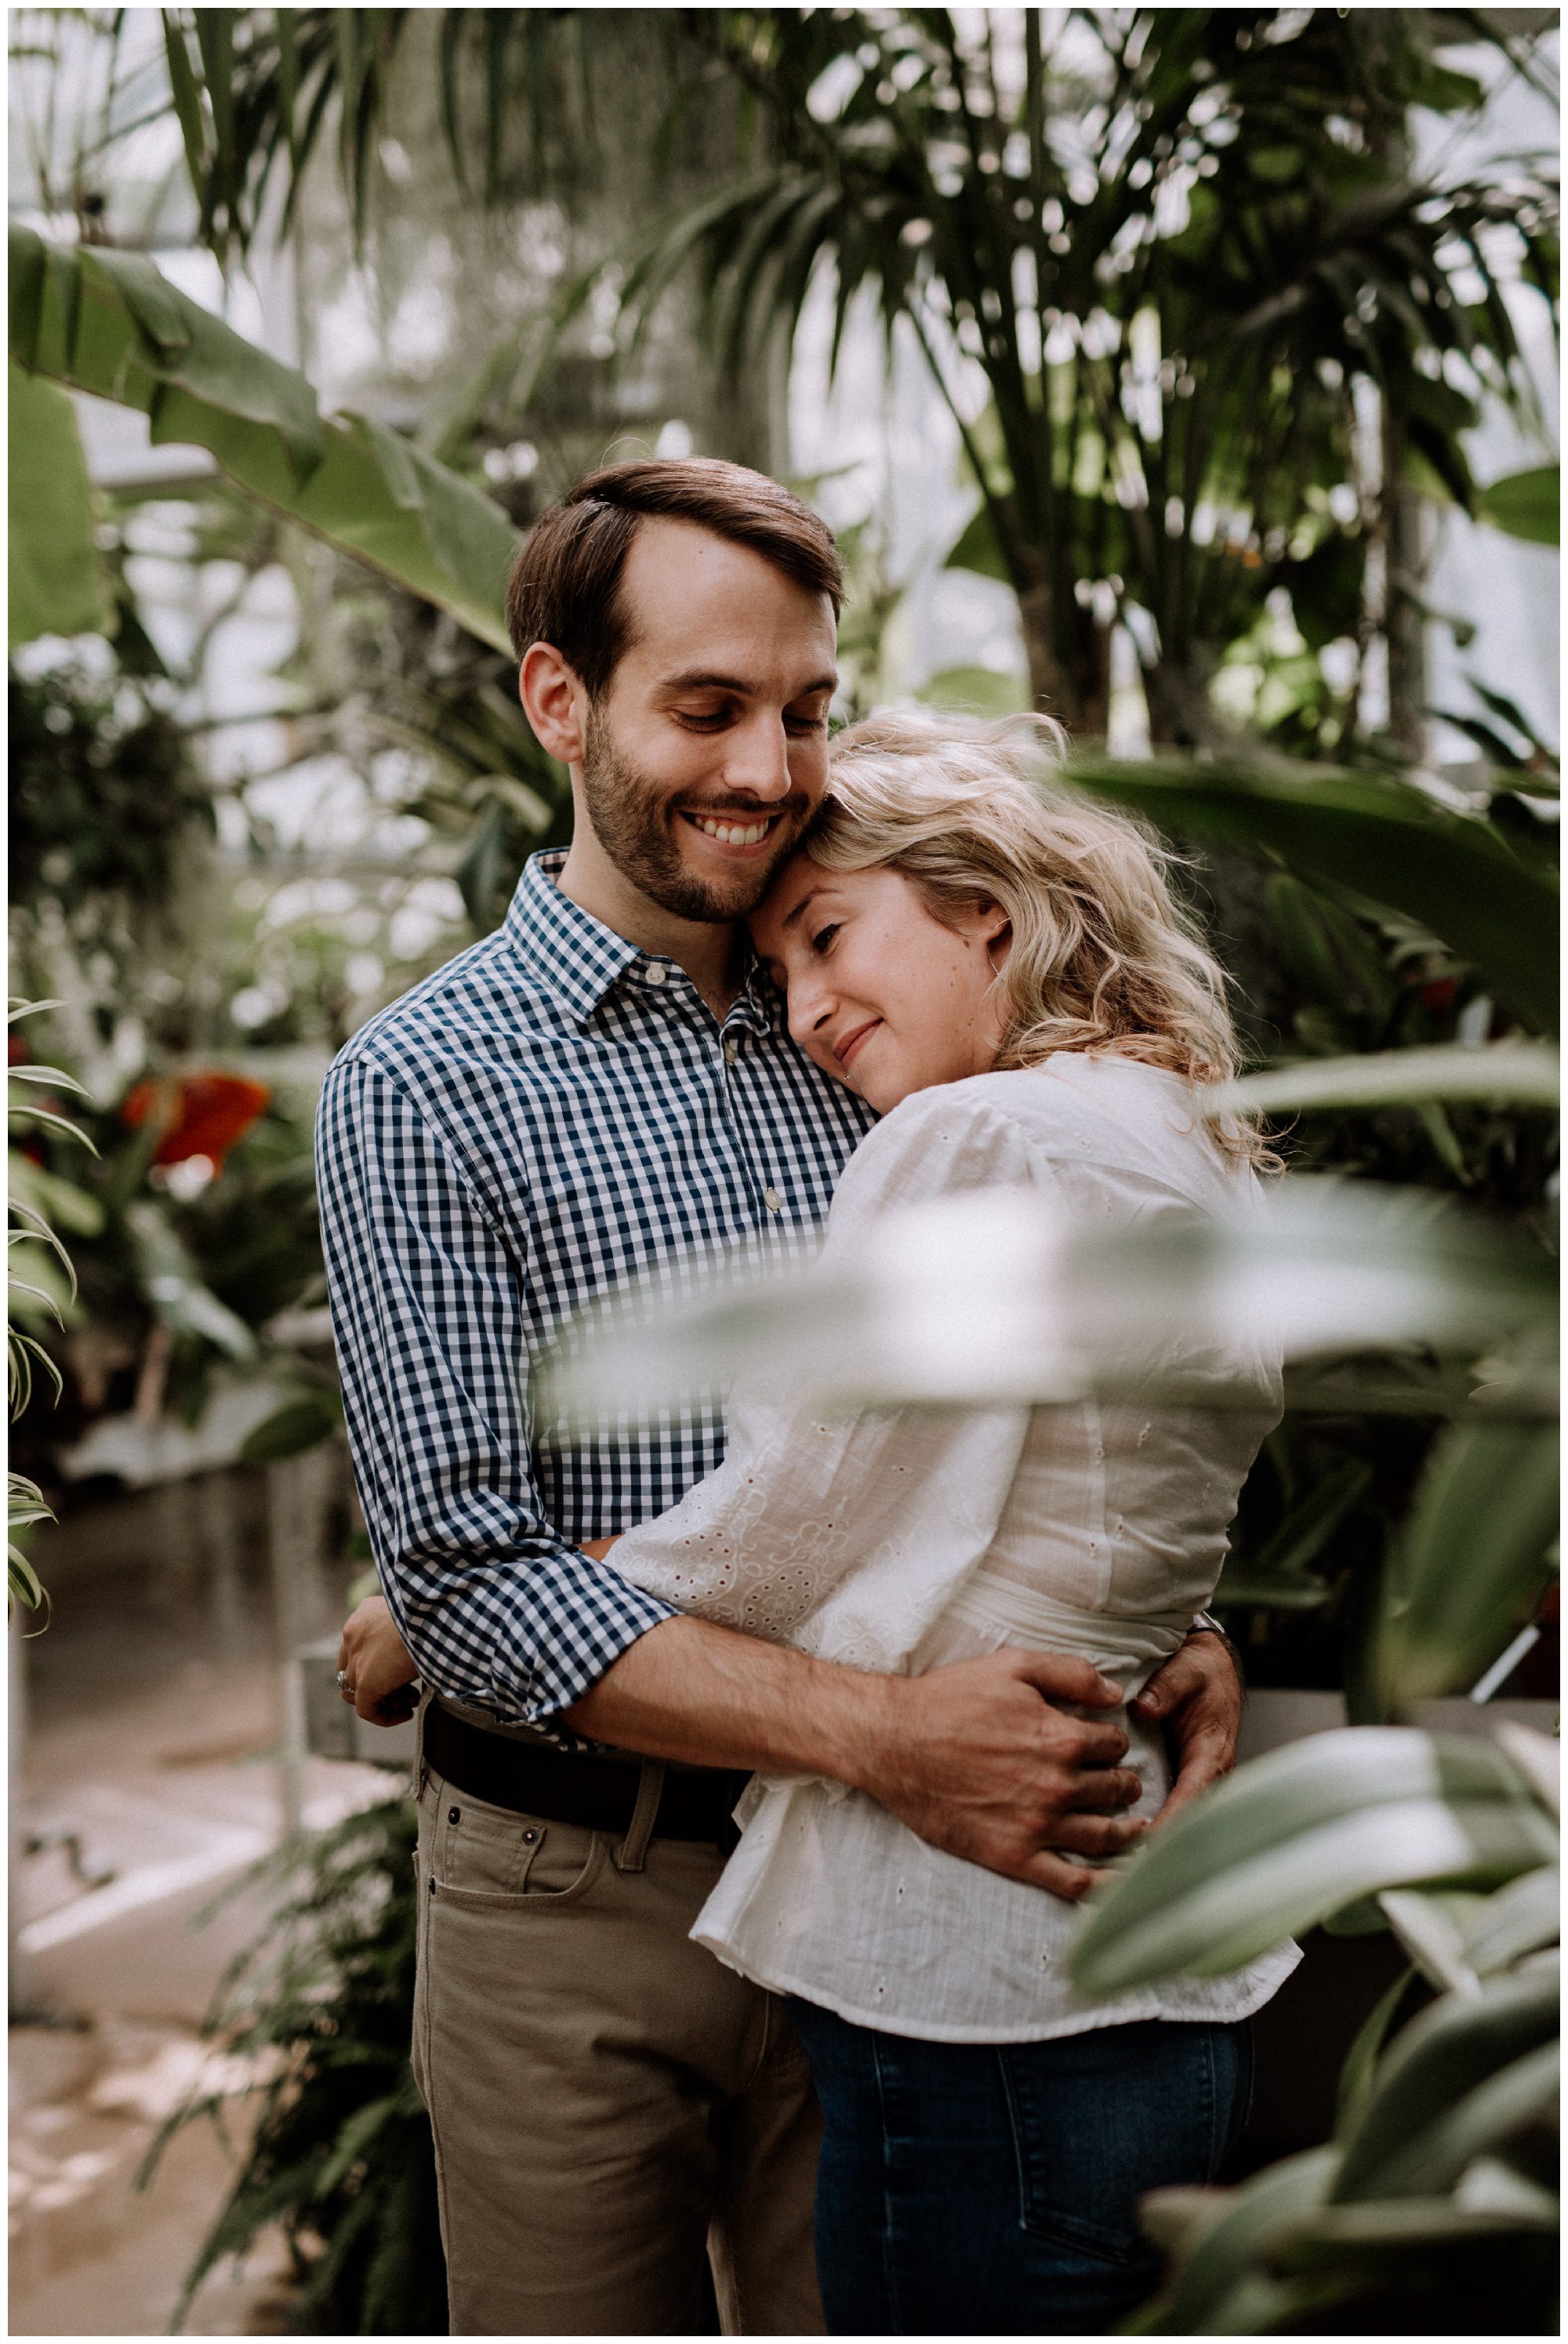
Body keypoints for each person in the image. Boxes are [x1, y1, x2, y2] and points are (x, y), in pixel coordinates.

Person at [321, 457, 1247, 2337]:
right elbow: (474, 1572)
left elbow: (1001, 1402)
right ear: (559, 703)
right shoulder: (420, 1084)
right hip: (584, 1887)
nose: (767, 765)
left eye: (805, 707)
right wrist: (886, 1732)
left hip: (900, 1876)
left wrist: (1128, 1600)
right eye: (708, 708)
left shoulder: (888, 1026)